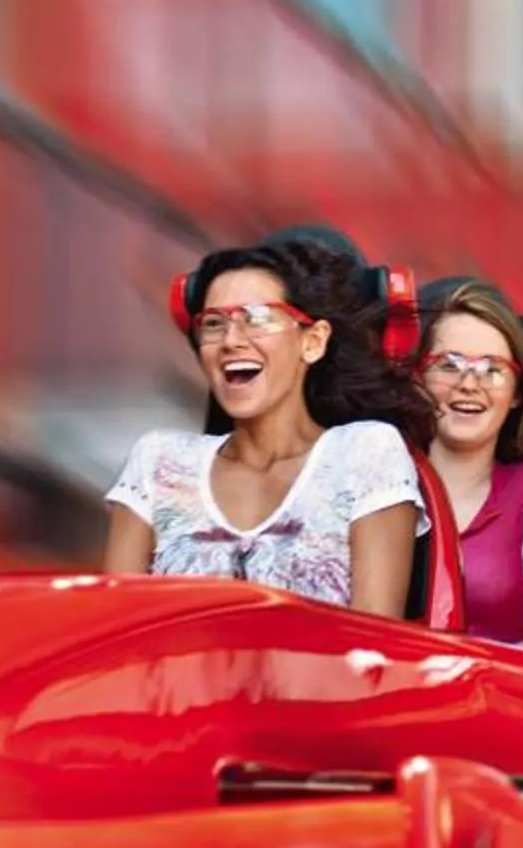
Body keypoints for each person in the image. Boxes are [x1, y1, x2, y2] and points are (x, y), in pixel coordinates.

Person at [103, 236, 437, 613]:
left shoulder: (364, 453)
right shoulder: (157, 462)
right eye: (213, 323)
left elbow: (376, 643)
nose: (231, 340)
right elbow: (118, 627)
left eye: (257, 318)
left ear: (313, 342)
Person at [415, 276, 523, 648]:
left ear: (517, 393)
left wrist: (485, 676)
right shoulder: (376, 477)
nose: (469, 384)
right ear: (416, 376)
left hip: (508, 697)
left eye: (492, 369)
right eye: (448, 365)